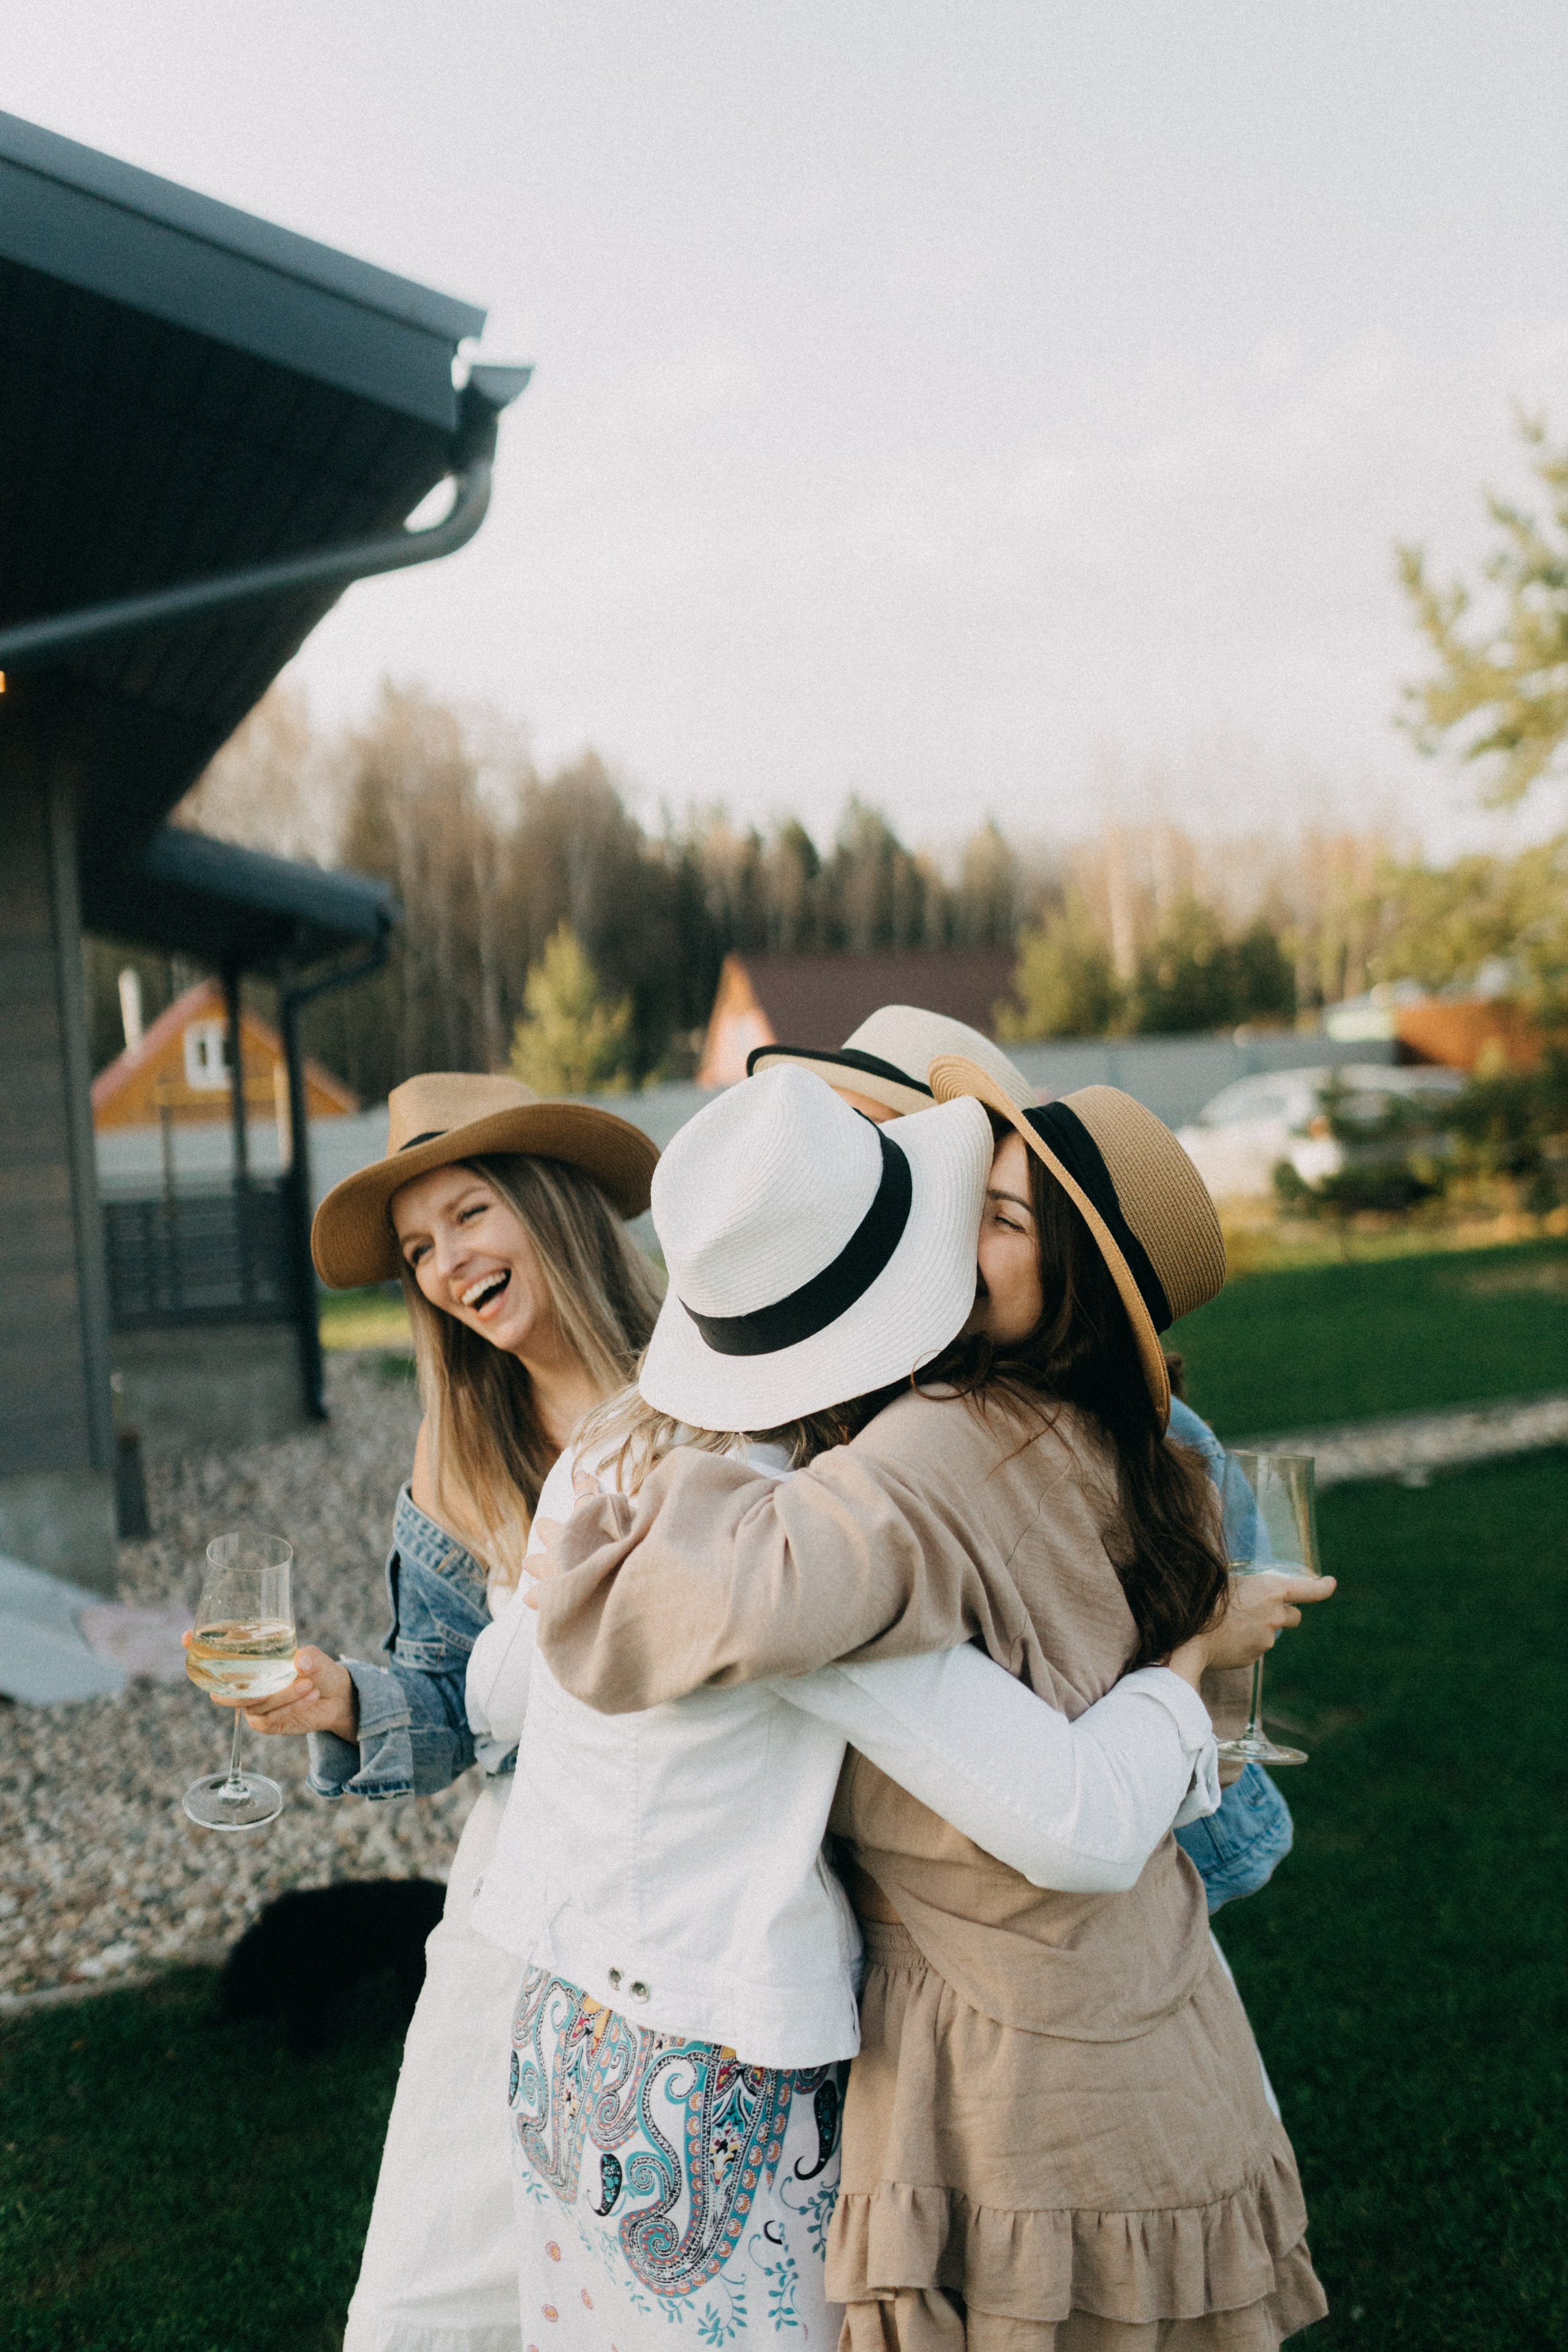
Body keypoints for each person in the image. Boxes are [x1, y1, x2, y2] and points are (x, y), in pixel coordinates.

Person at [466, 1067, 1324, 2350]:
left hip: (580, 2035)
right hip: (726, 2064)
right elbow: (1085, 1821)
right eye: (962, 1207)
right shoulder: (831, 1520)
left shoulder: (623, 1455)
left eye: (998, 1213)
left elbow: (513, 1681)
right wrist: (1197, 1661)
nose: (962, 1234)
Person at [194, 1071, 663, 2352]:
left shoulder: (707, 1387)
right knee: (426, 2294)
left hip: (701, 1903)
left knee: (651, 2291)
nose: (446, 1265)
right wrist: (345, 1697)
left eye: (468, 1215)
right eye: (417, 1249)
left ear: (549, 1204)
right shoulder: (458, 1451)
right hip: (520, 1909)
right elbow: (451, 1700)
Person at [754, 1002, 1298, 1917]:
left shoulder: (1136, 1441)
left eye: (881, 1146)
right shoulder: (834, 1380)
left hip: (1081, 1902)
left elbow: (1202, 1704)